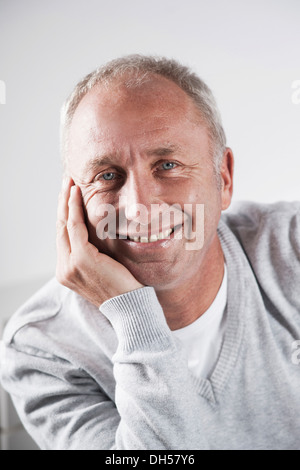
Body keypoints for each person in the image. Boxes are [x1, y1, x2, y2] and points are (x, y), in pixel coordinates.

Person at [1, 55, 299, 450]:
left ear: (223, 178)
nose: (139, 206)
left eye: (168, 165)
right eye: (107, 175)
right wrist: (133, 315)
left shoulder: (290, 251)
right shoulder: (42, 349)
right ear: (72, 199)